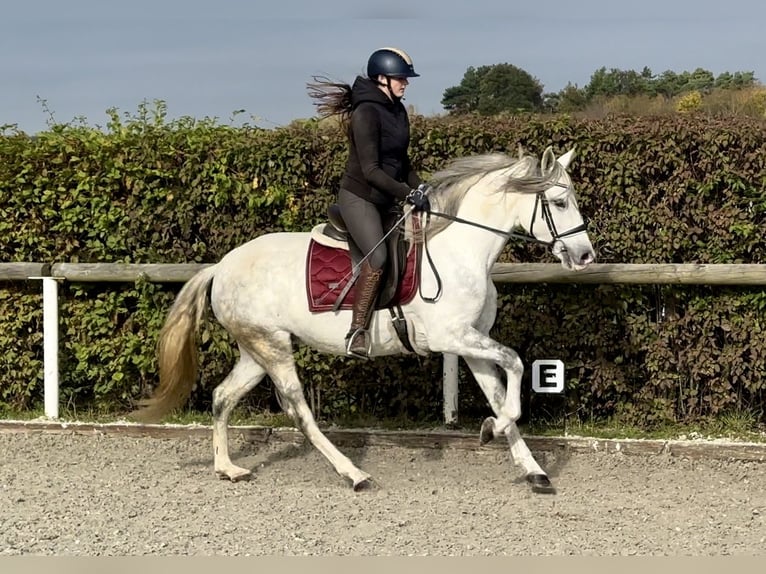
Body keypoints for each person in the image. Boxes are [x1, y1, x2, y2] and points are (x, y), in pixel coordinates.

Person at [307, 47, 430, 359]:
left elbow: (402, 162)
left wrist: (423, 188)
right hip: (360, 198)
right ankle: (357, 331)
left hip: (386, 199)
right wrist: (407, 194)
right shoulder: (365, 113)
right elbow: (372, 171)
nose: (406, 83)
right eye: (401, 78)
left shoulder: (398, 111)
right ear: (382, 79)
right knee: (376, 259)